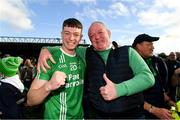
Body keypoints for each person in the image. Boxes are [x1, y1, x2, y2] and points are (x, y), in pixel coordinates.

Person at [37, 21, 155, 119]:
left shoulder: (128, 51)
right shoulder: (85, 53)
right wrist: (45, 49)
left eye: (100, 32)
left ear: (108, 33)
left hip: (131, 116)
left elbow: (148, 77)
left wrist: (119, 89)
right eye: (92, 36)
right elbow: (65, 47)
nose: (97, 37)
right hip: (98, 116)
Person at [26, 18, 86, 119]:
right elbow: (30, 100)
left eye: (76, 34)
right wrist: (48, 86)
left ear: (81, 37)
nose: (71, 38)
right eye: (67, 33)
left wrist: (45, 48)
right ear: (61, 34)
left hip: (80, 117)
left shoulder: (83, 55)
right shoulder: (51, 59)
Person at [132, 33, 176, 119]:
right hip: (142, 114)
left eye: (152, 44)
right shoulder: (129, 64)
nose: (153, 47)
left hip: (159, 110)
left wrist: (168, 100)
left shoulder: (154, 61)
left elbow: (157, 88)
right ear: (138, 46)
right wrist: (154, 110)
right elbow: (130, 97)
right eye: (149, 44)